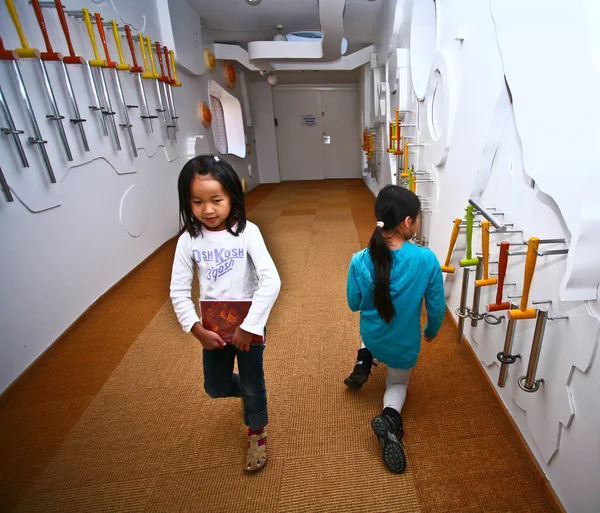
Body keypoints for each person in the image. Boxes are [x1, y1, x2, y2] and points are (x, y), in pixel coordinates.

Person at [170, 155, 281, 472]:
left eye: (216, 200)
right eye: (197, 202)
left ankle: (256, 434)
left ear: (232, 195)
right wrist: (196, 330)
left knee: (252, 381)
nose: (208, 209)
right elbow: (178, 290)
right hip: (213, 330)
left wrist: (250, 327)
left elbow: (270, 280)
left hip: (250, 326)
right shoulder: (188, 241)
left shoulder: (248, 232)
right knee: (215, 387)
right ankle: (248, 393)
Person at [345, 185, 445, 474]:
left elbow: (354, 304)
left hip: (373, 336)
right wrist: (433, 330)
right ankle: (389, 417)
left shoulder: (359, 259)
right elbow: (437, 307)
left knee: (367, 327)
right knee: (397, 384)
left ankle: (364, 358)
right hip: (404, 344)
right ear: (407, 223)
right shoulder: (426, 260)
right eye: (418, 218)